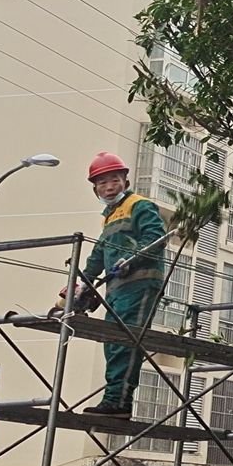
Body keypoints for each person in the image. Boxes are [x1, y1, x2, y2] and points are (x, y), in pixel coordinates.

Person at [76, 151, 166, 417]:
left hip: (140, 284)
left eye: (113, 180)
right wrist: (83, 283)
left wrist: (132, 259)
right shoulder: (110, 216)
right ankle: (113, 399)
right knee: (112, 342)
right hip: (116, 290)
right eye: (102, 183)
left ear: (125, 181)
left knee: (126, 341)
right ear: (95, 189)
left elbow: (155, 237)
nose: (109, 186)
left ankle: (119, 401)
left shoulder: (139, 205)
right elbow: (98, 255)